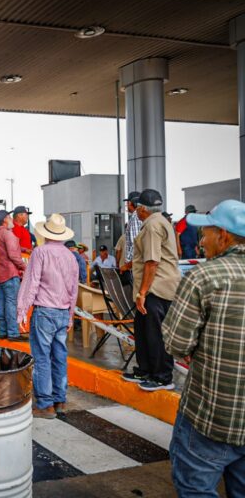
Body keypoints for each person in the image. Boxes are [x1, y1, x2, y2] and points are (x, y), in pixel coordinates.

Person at [162, 200, 245, 497]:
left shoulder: (203, 276)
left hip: (211, 418)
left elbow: (175, 342)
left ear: (223, 236)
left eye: (206, 233)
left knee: (196, 489)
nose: (201, 240)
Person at [17, 214, 79, 419]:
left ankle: (45, 405)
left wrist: (22, 310)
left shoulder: (40, 252)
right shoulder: (71, 256)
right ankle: (59, 400)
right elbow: (74, 289)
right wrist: (70, 315)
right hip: (62, 312)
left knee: (42, 358)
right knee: (60, 356)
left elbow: (32, 282)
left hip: (44, 311)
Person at [122, 189, 180, 391]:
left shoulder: (153, 225)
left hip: (156, 287)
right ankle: (145, 369)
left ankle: (162, 377)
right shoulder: (161, 222)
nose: (136, 211)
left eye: (137, 208)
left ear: (142, 209)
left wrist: (142, 293)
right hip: (155, 286)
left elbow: (152, 262)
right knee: (143, 329)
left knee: (155, 332)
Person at [0, 209, 26, 340]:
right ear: (5, 219)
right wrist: (25, 267)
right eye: (10, 217)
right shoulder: (8, 233)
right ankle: (13, 333)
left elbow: (6, 249)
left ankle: (3, 331)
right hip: (10, 273)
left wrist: (23, 249)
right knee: (12, 303)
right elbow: (13, 255)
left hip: (1, 273)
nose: (12, 219)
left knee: (2, 302)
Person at [121, 191, 143, 278]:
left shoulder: (135, 218)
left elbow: (136, 243)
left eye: (128, 202)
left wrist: (127, 264)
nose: (127, 204)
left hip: (135, 265)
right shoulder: (138, 217)